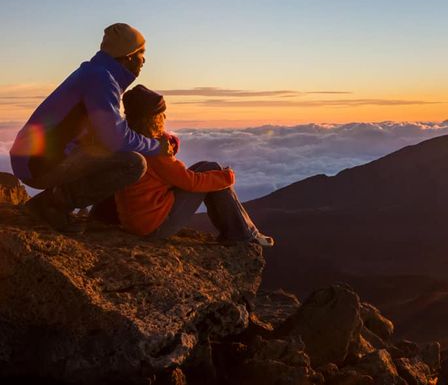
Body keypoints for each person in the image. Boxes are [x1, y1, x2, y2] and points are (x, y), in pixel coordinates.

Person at [10, 23, 171, 231]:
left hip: (31, 157)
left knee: (114, 149)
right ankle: (51, 206)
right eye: (141, 53)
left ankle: (52, 203)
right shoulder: (102, 79)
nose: (144, 60)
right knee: (133, 163)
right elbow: (116, 138)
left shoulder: (95, 73)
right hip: (36, 163)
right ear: (128, 55)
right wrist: (156, 146)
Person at [115, 84, 274, 246]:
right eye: (162, 114)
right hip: (154, 225)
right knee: (213, 174)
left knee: (208, 167)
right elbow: (191, 182)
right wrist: (228, 177)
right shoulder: (155, 152)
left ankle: (243, 232)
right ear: (154, 119)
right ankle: (243, 235)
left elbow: (169, 174)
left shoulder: (133, 142)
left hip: (137, 220)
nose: (165, 118)